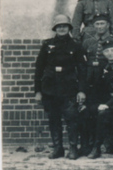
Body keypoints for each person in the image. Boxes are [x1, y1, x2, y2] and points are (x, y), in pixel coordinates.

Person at [35, 14, 88, 159]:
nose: (62, 28)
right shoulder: (47, 45)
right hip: (50, 89)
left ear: (69, 28)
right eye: (59, 26)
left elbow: (82, 70)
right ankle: (58, 148)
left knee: (72, 119)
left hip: (69, 88)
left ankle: (73, 148)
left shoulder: (76, 46)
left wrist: (82, 90)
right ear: (55, 28)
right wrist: (38, 91)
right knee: (54, 119)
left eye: (65, 26)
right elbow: (39, 69)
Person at [83, 35, 113, 158]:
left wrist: (107, 105)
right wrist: (95, 104)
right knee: (87, 110)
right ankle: (86, 145)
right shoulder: (104, 67)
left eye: (112, 50)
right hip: (109, 102)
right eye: (107, 51)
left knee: (103, 113)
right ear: (103, 53)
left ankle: (96, 147)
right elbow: (99, 88)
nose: (110, 53)